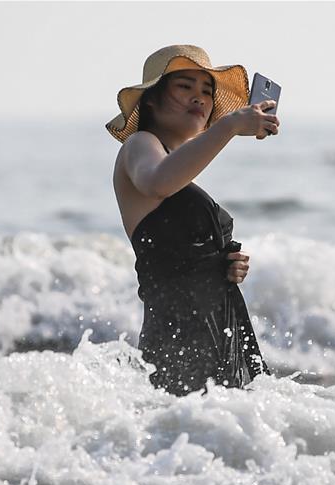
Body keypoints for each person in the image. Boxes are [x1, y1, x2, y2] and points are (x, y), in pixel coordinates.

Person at [107, 45, 279, 396]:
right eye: (185, 87)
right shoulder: (139, 144)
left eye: (206, 91)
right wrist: (230, 125)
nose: (199, 97)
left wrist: (223, 265)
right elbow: (157, 181)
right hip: (177, 338)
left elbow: (178, 253)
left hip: (218, 332)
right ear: (151, 101)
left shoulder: (179, 166)